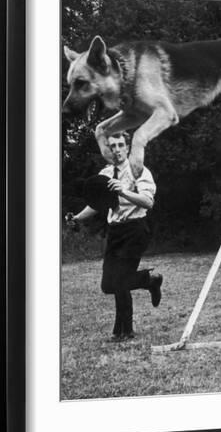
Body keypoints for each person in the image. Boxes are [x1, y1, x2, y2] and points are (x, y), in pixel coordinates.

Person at [67, 132, 163, 342]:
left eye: (121, 145)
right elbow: (96, 203)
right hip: (116, 232)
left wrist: (123, 191)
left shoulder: (139, 171)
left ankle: (124, 331)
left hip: (136, 230)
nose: (117, 150)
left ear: (128, 147)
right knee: (107, 285)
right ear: (108, 150)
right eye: (113, 146)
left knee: (119, 280)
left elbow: (148, 202)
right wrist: (77, 218)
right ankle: (150, 280)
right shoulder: (106, 173)